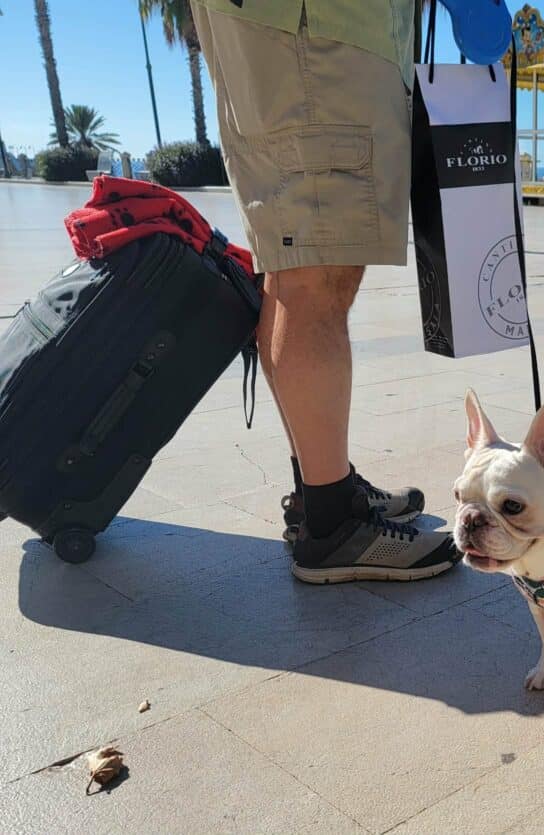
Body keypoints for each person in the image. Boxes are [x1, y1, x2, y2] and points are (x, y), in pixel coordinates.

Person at [191, 1, 459, 584]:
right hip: (319, 32)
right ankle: (333, 528)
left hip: (313, 34)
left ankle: (322, 493)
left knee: (296, 272)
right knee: (314, 275)